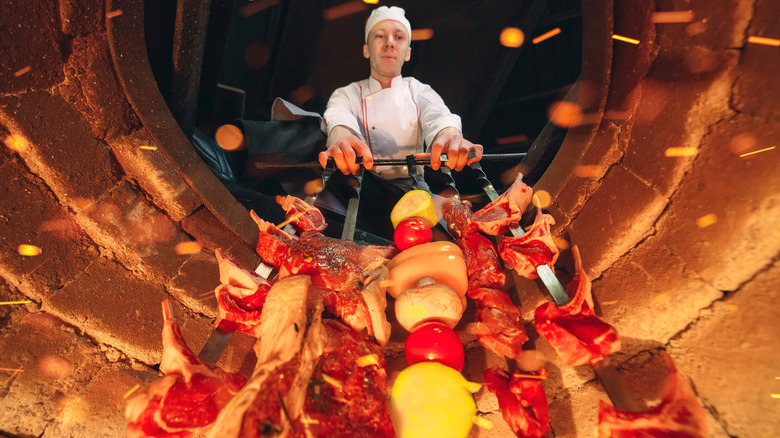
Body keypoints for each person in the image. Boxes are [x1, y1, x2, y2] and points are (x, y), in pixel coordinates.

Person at [319, 6, 483, 237]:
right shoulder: (346, 94)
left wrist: (450, 134)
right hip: (362, 188)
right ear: (366, 49)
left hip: (413, 190)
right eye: (379, 35)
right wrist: (340, 138)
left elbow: (439, 116)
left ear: (407, 52)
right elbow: (338, 118)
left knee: (445, 244)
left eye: (399, 36)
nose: (389, 42)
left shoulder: (418, 91)